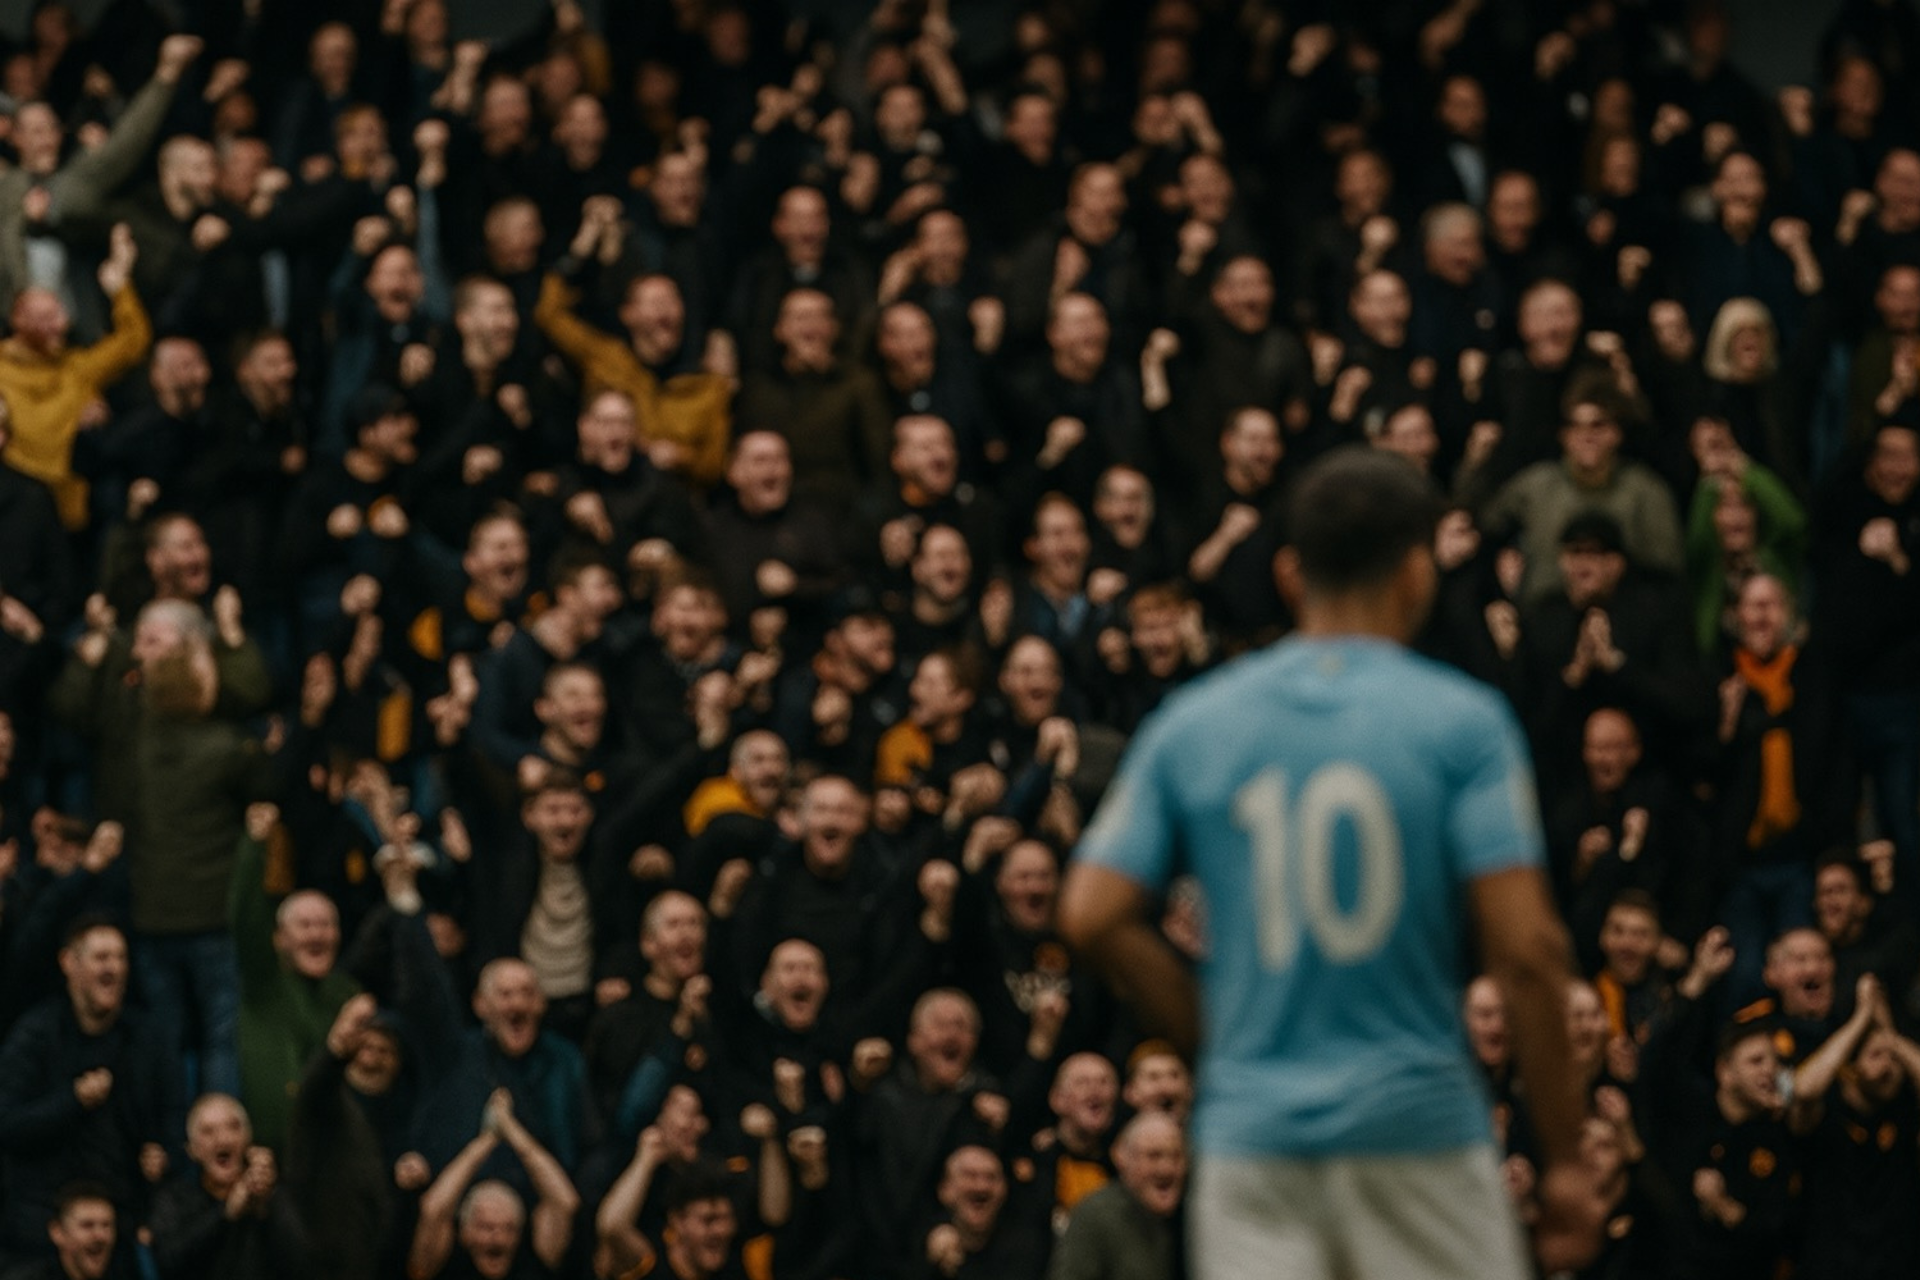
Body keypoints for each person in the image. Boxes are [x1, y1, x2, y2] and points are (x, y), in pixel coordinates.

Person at [1059, 447, 1610, 1277]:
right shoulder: (1462, 723)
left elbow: (1091, 912)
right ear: (1419, 573)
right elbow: (1528, 951)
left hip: (1256, 1146)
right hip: (1418, 1134)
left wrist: (1216, 1035)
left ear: (1288, 576)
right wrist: (1566, 1159)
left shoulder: (1197, 722)